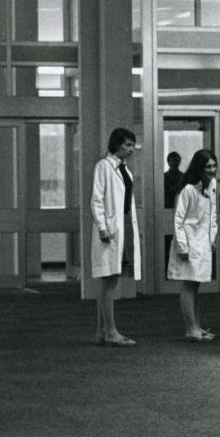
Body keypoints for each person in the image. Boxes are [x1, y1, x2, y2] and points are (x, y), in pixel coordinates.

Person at [90, 127, 141, 347]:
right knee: (108, 280)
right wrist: (102, 227)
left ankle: (102, 331)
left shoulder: (124, 170)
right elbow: (96, 199)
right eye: (127, 145)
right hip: (109, 229)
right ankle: (110, 331)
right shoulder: (104, 166)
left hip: (123, 226)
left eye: (132, 145)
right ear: (116, 145)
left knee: (111, 279)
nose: (131, 149)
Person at [169, 149, 219, 341]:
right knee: (189, 284)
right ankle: (191, 328)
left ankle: (196, 326)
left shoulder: (211, 185)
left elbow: (213, 214)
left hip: (202, 242)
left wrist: (212, 238)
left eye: (214, 166)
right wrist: (183, 247)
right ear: (200, 168)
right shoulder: (188, 190)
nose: (212, 170)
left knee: (196, 284)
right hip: (189, 242)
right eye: (208, 167)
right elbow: (178, 220)